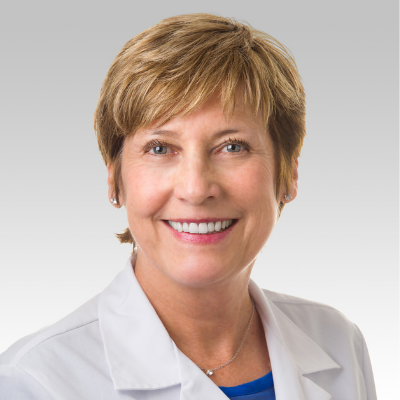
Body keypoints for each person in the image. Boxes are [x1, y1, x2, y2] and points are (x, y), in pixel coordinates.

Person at [0, 13, 376, 400]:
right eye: (160, 148)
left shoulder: (339, 343)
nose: (196, 189)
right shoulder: (32, 382)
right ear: (115, 180)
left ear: (288, 175)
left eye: (233, 146)